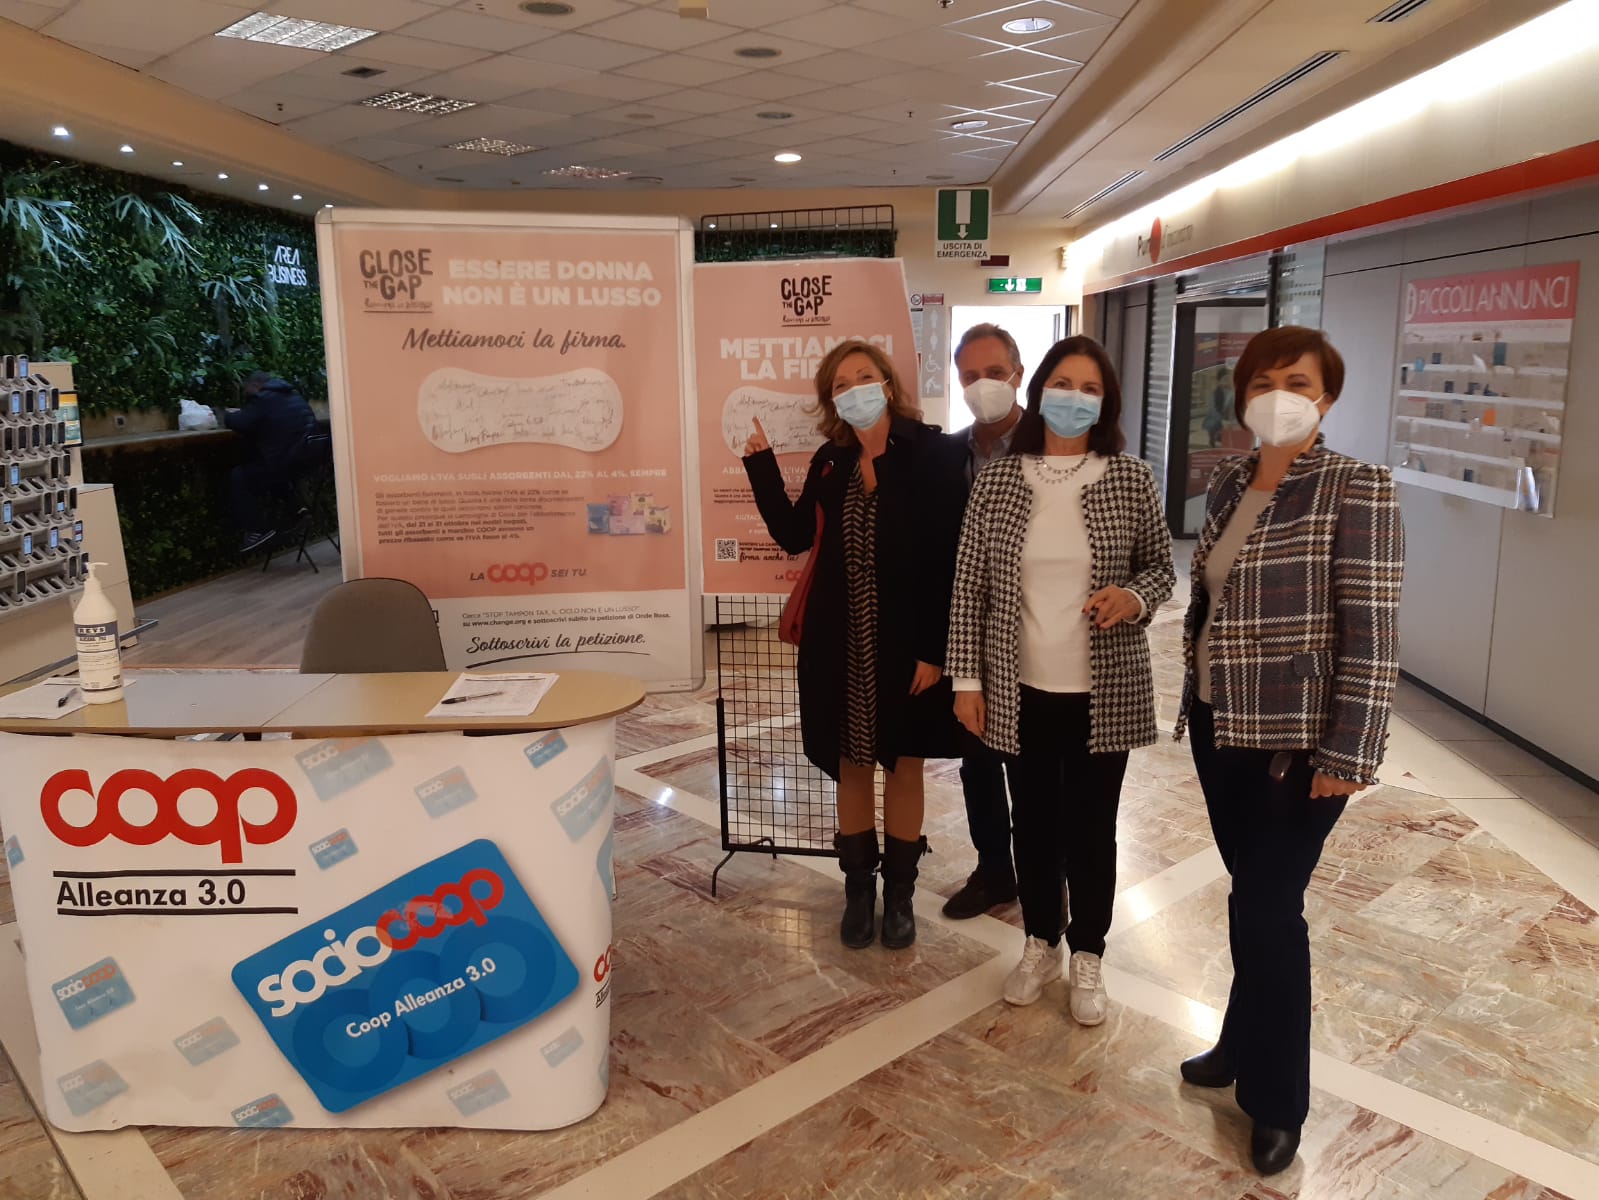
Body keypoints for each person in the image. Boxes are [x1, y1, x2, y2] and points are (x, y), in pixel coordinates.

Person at [1174, 326, 1404, 1176]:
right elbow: (1212, 601)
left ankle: (1277, 1103)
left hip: (1297, 742)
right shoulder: (1230, 481)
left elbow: (1373, 631)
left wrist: (1349, 751)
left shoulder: (1355, 486)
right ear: (1241, 396)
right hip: (1218, 724)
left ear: (1326, 398)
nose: (1279, 395)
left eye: (1297, 382)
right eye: (1263, 381)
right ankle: (1238, 1043)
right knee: (1251, 899)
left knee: (1270, 910)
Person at [947, 335, 1174, 1025]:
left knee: (1092, 831)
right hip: (1020, 689)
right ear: (1039, 388)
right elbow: (970, 586)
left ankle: (1089, 952)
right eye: (1063, 383)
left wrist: (1132, 596)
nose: (1074, 398)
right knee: (1034, 827)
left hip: (1103, 692)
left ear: (1105, 403)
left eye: (1090, 388)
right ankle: (1040, 940)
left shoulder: (1129, 477)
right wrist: (966, 680)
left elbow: (1160, 569)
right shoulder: (998, 480)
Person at [743, 339, 967, 950]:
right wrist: (762, 467)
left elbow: (948, 559)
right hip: (839, 643)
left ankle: (901, 895)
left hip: (909, 645)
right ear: (831, 400)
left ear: (888, 384)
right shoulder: (831, 460)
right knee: (850, 763)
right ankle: (858, 892)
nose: (854, 391)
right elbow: (794, 536)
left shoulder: (933, 453)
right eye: (840, 385)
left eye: (864, 377)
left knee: (904, 763)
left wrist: (935, 650)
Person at [942, 322, 1028, 921]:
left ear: (1018, 374)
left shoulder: (1054, 447)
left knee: (1037, 771)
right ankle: (995, 870)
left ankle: (1047, 871)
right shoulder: (950, 455)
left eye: (994, 373)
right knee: (977, 763)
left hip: (1040, 638)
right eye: (970, 376)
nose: (983, 385)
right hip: (972, 634)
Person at [223, 372, 316, 553]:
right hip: (308, 461)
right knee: (272, 473)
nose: (247, 395)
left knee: (239, 476)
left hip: (287, 462)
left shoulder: (264, 397)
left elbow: (240, 422)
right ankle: (299, 510)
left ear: (256, 386)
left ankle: (256, 530)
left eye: (247, 390)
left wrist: (226, 414)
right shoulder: (294, 395)